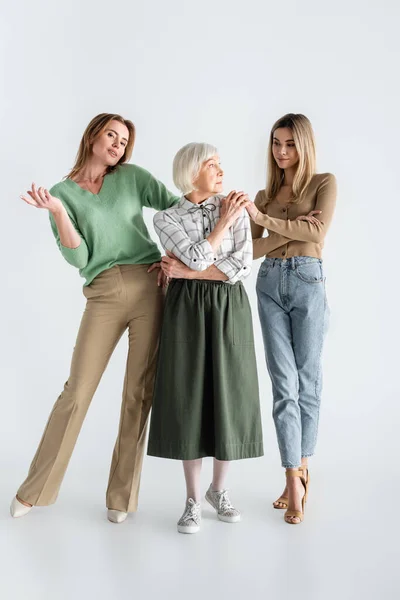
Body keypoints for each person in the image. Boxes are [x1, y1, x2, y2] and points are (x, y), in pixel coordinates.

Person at [11, 113, 179, 523]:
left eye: (124, 141)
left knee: (138, 393)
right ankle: (36, 490)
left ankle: (121, 498)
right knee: (77, 390)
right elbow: (79, 257)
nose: (119, 145)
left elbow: (178, 210)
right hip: (102, 291)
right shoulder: (62, 192)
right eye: (112, 135)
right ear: (92, 136)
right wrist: (57, 212)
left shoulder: (133, 177)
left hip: (149, 286)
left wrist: (178, 257)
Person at [147, 142, 263, 534]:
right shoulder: (167, 217)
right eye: (211, 164)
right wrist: (221, 226)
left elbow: (241, 266)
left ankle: (219, 490)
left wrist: (187, 272)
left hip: (230, 306)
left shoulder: (236, 205)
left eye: (220, 163)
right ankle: (193, 499)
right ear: (191, 171)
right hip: (185, 311)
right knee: (189, 395)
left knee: (228, 393)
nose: (220, 171)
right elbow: (200, 257)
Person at [246, 113, 337, 524]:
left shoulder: (323, 183)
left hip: (307, 280)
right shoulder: (264, 193)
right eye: (276, 143)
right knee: (283, 385)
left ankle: (300, 472)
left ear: (304, 145)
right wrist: (296, 226)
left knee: (308, 379)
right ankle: (291, 479)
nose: (281, 152)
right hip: (268, 285)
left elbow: (317, 236)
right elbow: (253, 249)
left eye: (289, 144)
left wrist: (268, 221)